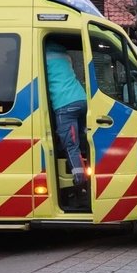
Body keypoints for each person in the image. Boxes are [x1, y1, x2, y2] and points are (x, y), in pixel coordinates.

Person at [45, 40, 88, 188]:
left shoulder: (43, 56)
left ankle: (80, 183)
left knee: (70, 145)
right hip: (81, 99)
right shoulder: (65, 55)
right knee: (83, 138)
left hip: (64, 104)